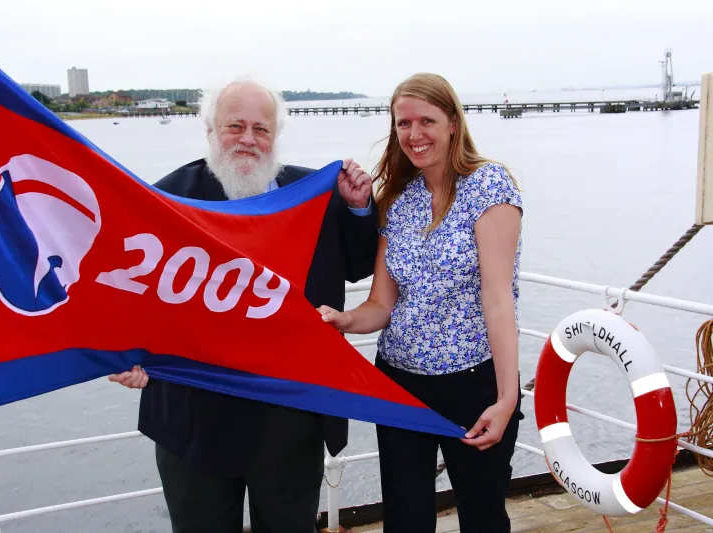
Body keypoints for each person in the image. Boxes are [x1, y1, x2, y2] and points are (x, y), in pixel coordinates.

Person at [109, 78, 378, 533]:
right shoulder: (163, 199)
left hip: (292, 417)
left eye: (261, 128)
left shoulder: (317, 193)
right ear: (211, 131)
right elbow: (121, 291)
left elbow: (358, 266)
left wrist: (358, 208)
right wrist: (124, 353)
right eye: (236, 126)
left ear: (276, 137)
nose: (249, 139)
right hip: (193, 418)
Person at [318, 72, 524, 533]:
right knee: (406, 519)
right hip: (399, 383)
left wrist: (506, 398)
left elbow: (497, 299)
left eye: (427, 120)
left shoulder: (490, 186)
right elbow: (381, 305)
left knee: (483, 517)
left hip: (472, 384)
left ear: (453, 122)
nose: (414, 134)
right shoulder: (397, 199)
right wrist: (344, 319)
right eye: (403, 123)